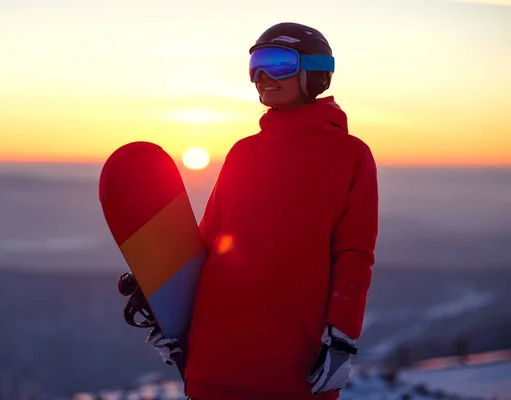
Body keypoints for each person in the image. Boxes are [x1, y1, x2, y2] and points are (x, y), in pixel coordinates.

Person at [144, 21, 379, 399]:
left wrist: (342, 338)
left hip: (292, 363)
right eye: (256, 65)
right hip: (214, 354)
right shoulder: (243, 152)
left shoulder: (351, 156)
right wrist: (170, 311)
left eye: (278, 62)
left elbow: (354, 254)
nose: (263, 76)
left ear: (316, 73)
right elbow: (206, 243)